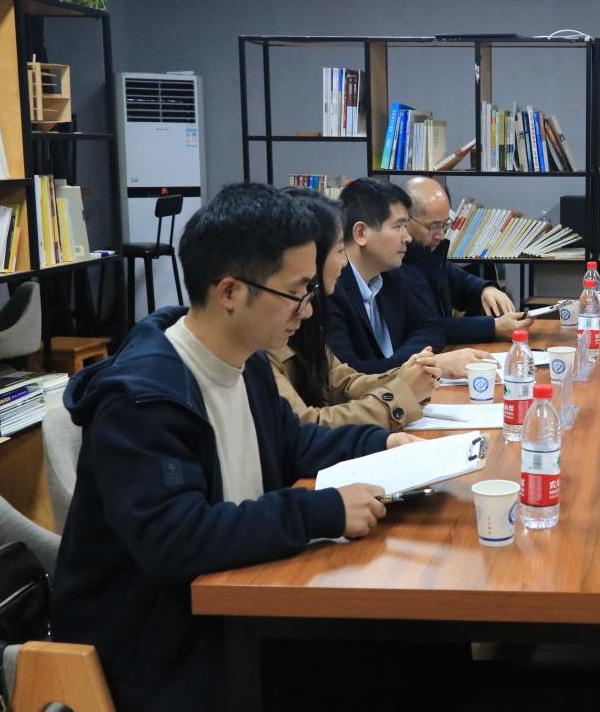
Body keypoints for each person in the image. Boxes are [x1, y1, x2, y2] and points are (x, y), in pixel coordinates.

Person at [51, 183, 418, 711]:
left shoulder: (246, 364)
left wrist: (383, 442)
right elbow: (177, 539)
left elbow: (295, 445)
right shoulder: (142, 401)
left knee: (406, 654)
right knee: (387, 665)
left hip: (234, 605)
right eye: (297, 292)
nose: (308, 311)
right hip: (158, 647)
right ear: (229, 292)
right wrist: (322, 511)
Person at [269, 188, 440, 429]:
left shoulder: (308, 315)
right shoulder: (265, 335)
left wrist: (405, 377)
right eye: (340, 250)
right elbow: (306, 427)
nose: (344, 262)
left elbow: (343, 383)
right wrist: (400, 395)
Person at [328, 177, 491, 378]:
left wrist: (408, 364)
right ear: (361, 233)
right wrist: (422, 365)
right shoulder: (330, 289)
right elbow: (349, 378)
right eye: (398, 227)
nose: (407, 237)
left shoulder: (389, 277)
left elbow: (431, 327)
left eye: (406, 226)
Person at [403, 176, 532, 343]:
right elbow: (426, 326)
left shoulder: (427, 252)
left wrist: (485, 289)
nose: (441, 235)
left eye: (445, 224)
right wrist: (494, 327)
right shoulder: (394, 262)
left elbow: (458, 280)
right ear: (405, 219)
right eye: (433, 226)